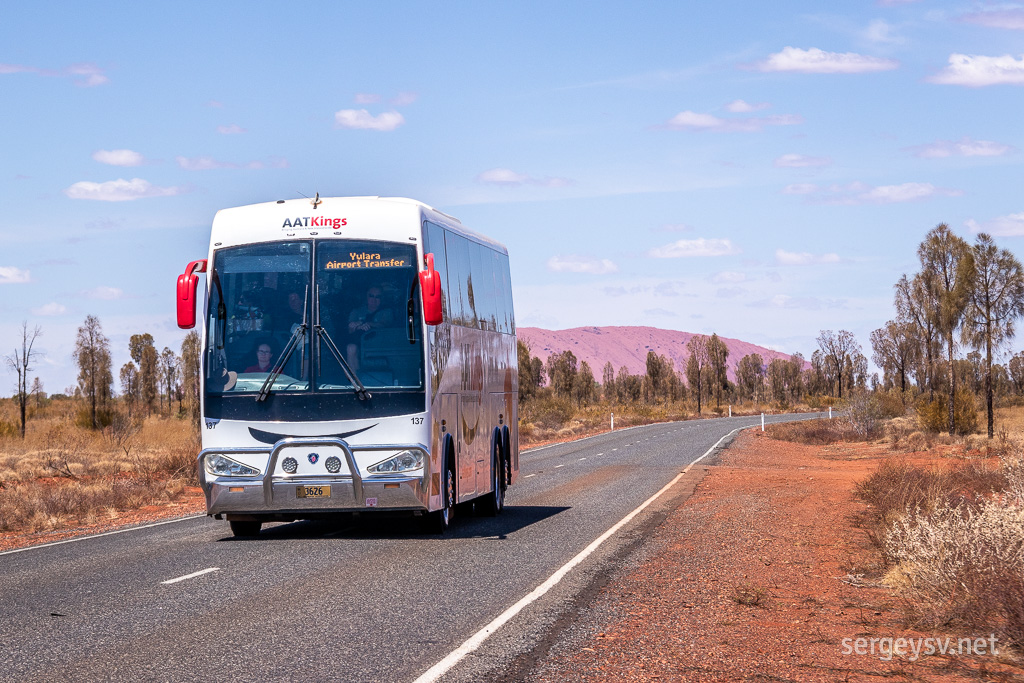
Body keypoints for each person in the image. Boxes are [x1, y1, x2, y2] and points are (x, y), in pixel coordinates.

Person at [346, 285, 393, 371]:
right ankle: (355, 382)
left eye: (377, 297)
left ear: (382, 299)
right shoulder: (356, 311)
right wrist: (356, 326)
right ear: (366, 296)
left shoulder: (387, 311)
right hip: (361, 345)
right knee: (351, 348)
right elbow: (350, 330)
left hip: (381, 344)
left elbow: (385, 324)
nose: (374, 299)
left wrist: (369, 324)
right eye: (371, 296)